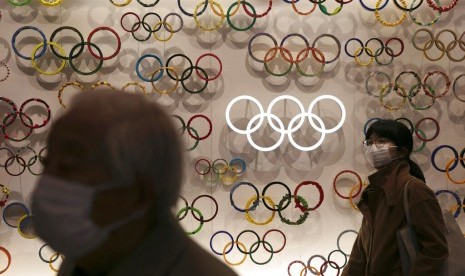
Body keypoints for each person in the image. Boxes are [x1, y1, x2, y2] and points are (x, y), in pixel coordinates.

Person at [31, 90, 238, 276]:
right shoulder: (85, 261)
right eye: (47, 163)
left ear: (137, 196)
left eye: (67, 166)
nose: (48, 181)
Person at [342, 119, 448, 276]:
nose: (373, 147)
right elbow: (360, 253)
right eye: (369, 142)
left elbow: (435, 250)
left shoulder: (415, 190)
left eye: (382, 141)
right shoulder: (374, 192)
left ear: (402, 151)